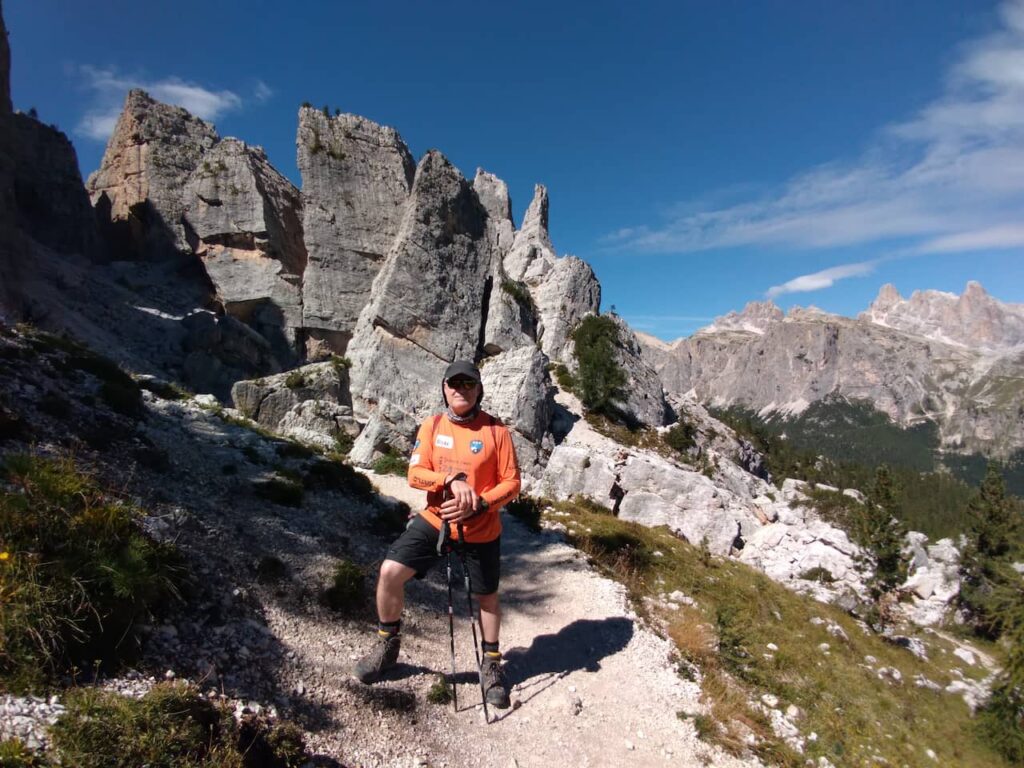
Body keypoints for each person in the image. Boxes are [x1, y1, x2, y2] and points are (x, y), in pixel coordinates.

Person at [353, 360, 521, 708]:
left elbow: (513, 484)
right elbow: (415, 474)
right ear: (444, 387)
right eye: (454, 382)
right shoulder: (431, 426)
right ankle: (387, 644)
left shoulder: (496, 432)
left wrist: (480, 503)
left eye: (469, 383)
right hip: (436, 520)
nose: (461, 388)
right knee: (389, 572)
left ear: (478, 390)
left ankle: (491, 664)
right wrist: (449, 480)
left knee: (487, 597)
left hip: (481, 527)